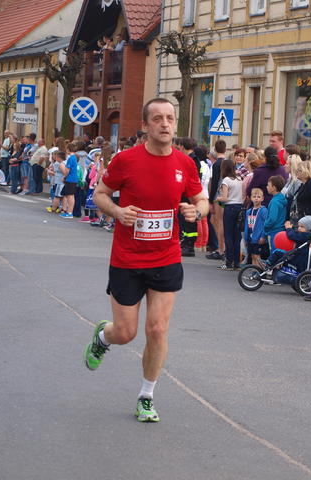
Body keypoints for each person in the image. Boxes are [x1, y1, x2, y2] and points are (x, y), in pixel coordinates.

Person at [83, 98, 208, 423]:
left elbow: (202, 200)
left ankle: (146, 397)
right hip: (127, 259)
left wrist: (196, 211)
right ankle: (103, 336)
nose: (165, 124)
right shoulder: (126, 160)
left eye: (169, 118)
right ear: (145, 125)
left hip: (166, 257)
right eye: (157, 119)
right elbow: (99, 194)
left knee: (157, 329)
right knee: (126, 333)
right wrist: (117, 211)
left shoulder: (185, 164)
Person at [215, 158, 243, 270]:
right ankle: (237, 262)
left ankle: (229, 261)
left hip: (230, 207)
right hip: (239, 207)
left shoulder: (226, 180)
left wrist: (217, 198)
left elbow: (225, 198)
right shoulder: (239, 179)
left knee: (228, 235)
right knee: (237, 236)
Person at [206, 140, 227, 260]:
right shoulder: (227, 161)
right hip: (225, 194)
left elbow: (214, 183)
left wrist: (210, 201)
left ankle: (221, 249)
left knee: (218, 222)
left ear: (215, 150)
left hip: (218, 195)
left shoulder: (217, 164)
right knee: (216, 221)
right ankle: (222, 247)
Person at [288, 160, 311, 228]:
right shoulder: (303, 185)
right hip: (301, 219)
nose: (297, 172)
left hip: (309, 221)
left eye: (299, 170)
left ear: (305, 171)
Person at [243, 188, 268, 268]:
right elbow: (247, 225)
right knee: (253, 256)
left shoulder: (263, 211)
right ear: (251, 198)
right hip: (250, 238)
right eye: (254, 197)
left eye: (258, 197)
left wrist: (263, 236)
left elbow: (266, 225)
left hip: (258, 238)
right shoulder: (248, 211)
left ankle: (259, 271)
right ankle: (255, 271)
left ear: (262, 198)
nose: (256, 198)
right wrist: (246, 238)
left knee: (257, 256)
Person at [262, 175, 287, 251]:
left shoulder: (274, 202)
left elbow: (272, 219)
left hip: (274, 231)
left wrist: (265, 226)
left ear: (274, 188)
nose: (267, 187)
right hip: (281, 229)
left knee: (274, 252)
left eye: (268, 185)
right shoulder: (282, 198)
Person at [59, 142, 79, 218]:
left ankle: (70, 212)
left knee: (70, 196)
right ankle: (69, 211)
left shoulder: (71, 158)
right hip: (73, 178)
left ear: (68, 149)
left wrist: (64, 176)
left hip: (70, 178)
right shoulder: (74, 157)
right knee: (70, 195)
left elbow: (67, 170)